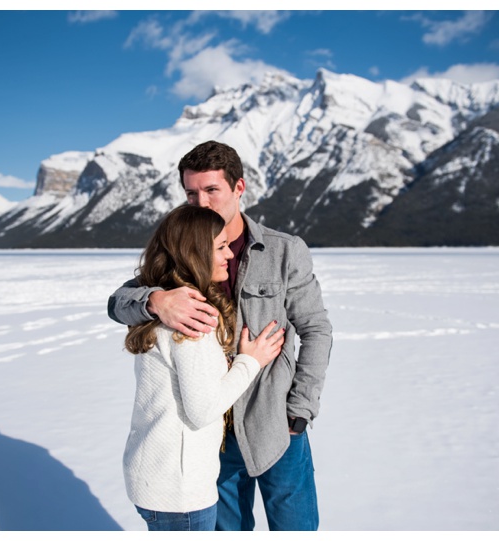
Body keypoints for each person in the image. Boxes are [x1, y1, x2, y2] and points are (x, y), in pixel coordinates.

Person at [109, 140, 333, 531]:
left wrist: (300, 408)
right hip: (214, 435)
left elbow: (316, 328)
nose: (202, 202)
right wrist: (156, 300)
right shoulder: (181, 251)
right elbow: (117, 303)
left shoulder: (283, 251)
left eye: (212, 189)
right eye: (191, 192)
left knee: (297, 528)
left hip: (276, 420)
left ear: (238, 188)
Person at [122, 204, 286, 531]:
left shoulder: (167, 307)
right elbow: (203, 409)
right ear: (195, 253)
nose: (229, 255)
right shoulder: (192, 321)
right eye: (220, 247)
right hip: (179, 491)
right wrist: (251, 360)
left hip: (155, 476)